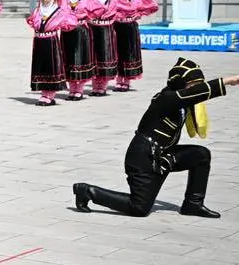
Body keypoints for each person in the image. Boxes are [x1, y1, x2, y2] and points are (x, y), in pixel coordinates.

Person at [74, 59, 239, 218]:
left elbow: (195, 94)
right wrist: (229, 80)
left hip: (162, 155)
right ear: (180, 84)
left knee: (201, 154)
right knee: (139, 208)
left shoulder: (180, 101)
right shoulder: (167, 99)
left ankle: (193, 204)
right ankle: (88, 191)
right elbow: (195, 93)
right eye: (194, 84)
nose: (196, 89)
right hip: (143, 158)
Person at [29, 0, 78, 107]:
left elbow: (70, 23)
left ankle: (49, 95)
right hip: (39, 41)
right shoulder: (37, 11)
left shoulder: (59, 11)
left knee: (51, 67)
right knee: (41, 67)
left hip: (51, 41)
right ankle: (43, 92)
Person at [113, 0, 159, 92]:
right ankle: (119, 79)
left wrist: (139, 14)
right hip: (116, 27)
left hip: (130, 27)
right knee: (118, 53)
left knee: (129, 53)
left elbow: (153, 6)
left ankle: (126, 81)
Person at [62, 0, 98, 100]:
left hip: (81, 32)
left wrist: (86, 16)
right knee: (69, 58)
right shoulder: (64, 0)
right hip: (66, 33)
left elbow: (100, 9)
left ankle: (79, 90)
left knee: (79, 59)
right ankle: (71, 89)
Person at [87, 0, 121, 96]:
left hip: (106, 30)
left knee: (105, 56)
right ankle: (95, 85)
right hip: (91, 30)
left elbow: (128, 9)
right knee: (93, 56)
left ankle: (102, 86)